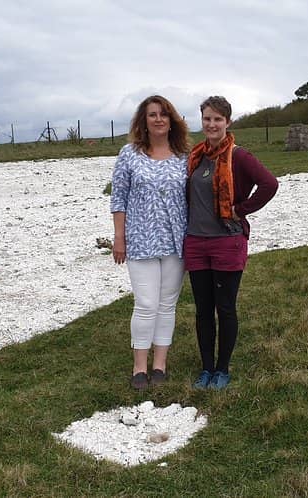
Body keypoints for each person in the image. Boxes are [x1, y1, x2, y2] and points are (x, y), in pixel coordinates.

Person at [185, 96, 278, 390]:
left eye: (218, 119)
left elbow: (269, 184)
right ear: (202, 121)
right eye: (207, 119)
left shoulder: (238, 156)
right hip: (196, 243)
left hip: (227, 241)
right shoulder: (196, 156)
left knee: (224, 308)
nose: (212, 124)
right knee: (202, 310)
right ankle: (206, 368)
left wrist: (241, 209)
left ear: (228, 122)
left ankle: (222, 369)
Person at [110, 95, 190, 390]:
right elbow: (118, 198)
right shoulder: (129, 154)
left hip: (175, 242)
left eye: (164, 114)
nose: (158, 119)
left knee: (167, 305)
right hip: (140, 242)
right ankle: (139, 367)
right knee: (145, 304)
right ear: (143, 121)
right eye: (152, 115)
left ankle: (160, 364)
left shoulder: (184, 156)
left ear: (172, 121)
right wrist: (120, 238)